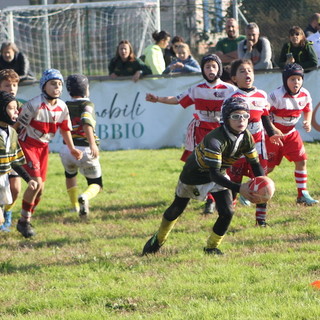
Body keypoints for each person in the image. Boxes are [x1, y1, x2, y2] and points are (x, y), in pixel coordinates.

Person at [142, 97, 266, 256]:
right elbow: (213, 174)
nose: (241, 120)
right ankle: (158, 239)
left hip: (218, 174)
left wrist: (263, 183)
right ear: (226, 118)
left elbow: (254, 164)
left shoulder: (247, 136)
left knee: (227, 212)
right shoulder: (215, 139)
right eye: (235, 116)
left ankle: (211, 247)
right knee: (177, 209)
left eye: (244, 116)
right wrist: (240, 188)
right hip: (195, 175)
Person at [146, 54, 237, 214]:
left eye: (214, 66)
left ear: (219, 69)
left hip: (221, 133)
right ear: (202, 70)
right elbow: (177, 99)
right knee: (204, 166)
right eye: (207, 66)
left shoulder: (229, 90)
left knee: (220, 166)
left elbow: (243, 103)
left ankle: (216, 198)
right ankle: (204, 198)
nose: (210, 69)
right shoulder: (197, 89)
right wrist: (158, 99)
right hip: (201, 133)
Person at [13, 69, 83, 238]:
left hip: (43, 148)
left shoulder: (62, 107)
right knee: (35, 183)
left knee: (41, 189)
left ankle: (26, 218)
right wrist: (8, 145)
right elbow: (16, 127)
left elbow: (65, 128)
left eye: (59, 84)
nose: (57, 87)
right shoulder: (34, 104)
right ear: (44, 85)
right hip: (28, 144)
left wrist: (72, 148)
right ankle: (24, 221)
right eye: (53, 83)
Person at [226, 59, 282, 226]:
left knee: (262, 182)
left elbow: (264, 116)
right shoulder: (232, 98)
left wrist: (271, 133)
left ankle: (261, 220)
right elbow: (225, 123)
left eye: (249, 70)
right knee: (234, 184)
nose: (247, 74)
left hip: (257, 148)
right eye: (242, 71)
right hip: (237, 149)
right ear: (234, 78)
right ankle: (228, 217)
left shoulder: (261, 95)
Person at [266, 63, 318, 206]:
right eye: (292, 79)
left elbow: (308, 108)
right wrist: (272, 130)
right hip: (273, 137)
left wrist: (307, 121)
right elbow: (264, 113)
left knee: (301, 161)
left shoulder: (305, 94)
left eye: (298, 79)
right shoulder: (276, 95)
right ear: (285, 80)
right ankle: (252, 190)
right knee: (267, 168)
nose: (296, 82)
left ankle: (302, 194)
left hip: (291, 134)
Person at [59, 74, 103, 218]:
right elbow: (86, 122)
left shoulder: (64, 105)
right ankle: (84, 197)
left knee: (70, 175)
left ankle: (74, 207)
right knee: (96, 184)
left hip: (67, 149)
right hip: (84, 149)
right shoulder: (87, 105)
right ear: (86, 89)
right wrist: (92, 144)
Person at [0, 91, 38, 228]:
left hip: (3, 179)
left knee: (0, 220)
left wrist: (29, 179)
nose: (17, 112)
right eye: (12, 108)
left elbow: (14, 161)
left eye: (17, 108)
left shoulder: (12, 133)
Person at [0, 69, 23, 231]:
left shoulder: (19, 106)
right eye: (7, 85)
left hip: (11, 153)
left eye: (14, 85)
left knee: (15, 189)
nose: (12, 88)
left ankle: (7, 212)